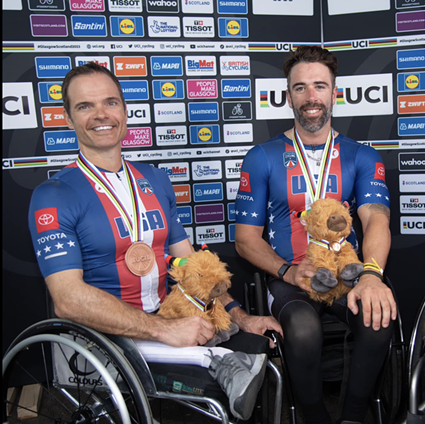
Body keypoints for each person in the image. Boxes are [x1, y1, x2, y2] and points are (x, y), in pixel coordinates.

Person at [27, 62, 283, 420]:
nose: (101, 115)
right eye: (85, 106)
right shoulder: (52, 195)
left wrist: (240, 316)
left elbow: (191, 265)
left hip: (167, 315)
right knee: (229, 377)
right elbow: (68, 300)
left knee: (256, 352)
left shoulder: (155, 179)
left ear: (125, 111)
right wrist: (165, 331)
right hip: (105, 337)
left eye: (110, 102)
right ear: (67, 119)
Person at [234, 45, 397, 424]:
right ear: (288, 95)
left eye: (320, 86)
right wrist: (288, 271)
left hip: (348, 274)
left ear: (334, 93)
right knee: (303, 328)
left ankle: (353, 416)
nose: (311, 97)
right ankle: (314, 417)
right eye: (301, 87)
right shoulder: (262, 157)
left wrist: (372, 274)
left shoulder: (362, 155)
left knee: (379, 320)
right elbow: (245, 239)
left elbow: (376, 219)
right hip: (289, 278)